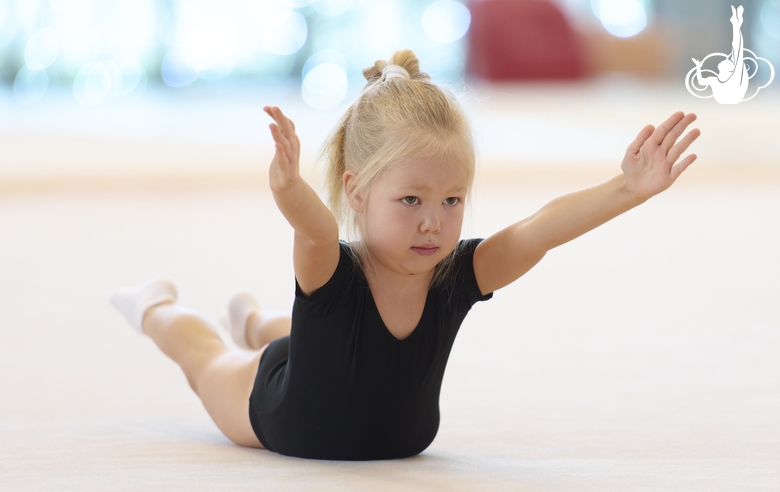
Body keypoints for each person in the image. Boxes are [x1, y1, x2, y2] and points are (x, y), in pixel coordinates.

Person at [109, 49, 701, 460]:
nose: (431, 221)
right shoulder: (331, 269)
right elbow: (315, 232)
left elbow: (536, 232)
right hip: (278, 415)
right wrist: (289, 186)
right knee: (203, 355)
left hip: (370, 403)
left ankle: (264, 324)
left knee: (301, 333)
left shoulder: (454, 279)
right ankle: (156, 307)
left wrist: (627, 189)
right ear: (357, 191)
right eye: (411, 199)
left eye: (451, 200)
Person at [692, 5, 748, 104]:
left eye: (727, 61)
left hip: (732, 99)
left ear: (730, 69)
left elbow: (737, 48)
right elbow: (701, 82)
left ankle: (736, 23)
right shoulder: (714, 80)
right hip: (724, 101)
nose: (725, 59)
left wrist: (736, 26)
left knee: (736, 49)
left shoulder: (734, 78)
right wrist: (698, 67)